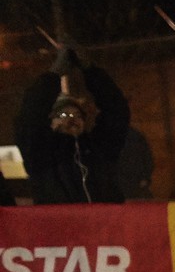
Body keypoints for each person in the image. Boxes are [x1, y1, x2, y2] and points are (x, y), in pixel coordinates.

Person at [13, 46, 130, 204]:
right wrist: (53, 75)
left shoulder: (99, 148)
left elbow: (116, 111)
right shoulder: (41, 153)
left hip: (105, 226)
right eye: (63, 115)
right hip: (63, 227)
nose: (71, 119)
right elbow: (30, 118)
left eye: (76, 115)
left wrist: (90, 70)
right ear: (51, 122)